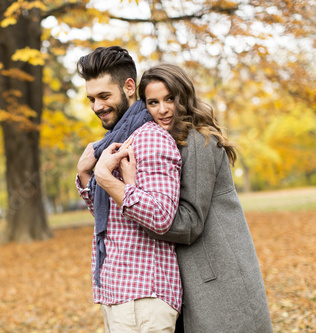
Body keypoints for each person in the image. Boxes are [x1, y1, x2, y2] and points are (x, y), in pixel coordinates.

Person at [117, 63, 273, 332]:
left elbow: (189, 223)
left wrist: (130, 190)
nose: (163, 110)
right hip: (198, 277)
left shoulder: (198, 141)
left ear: (184, 96)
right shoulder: (169, 142)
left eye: (170, 99)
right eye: (153, 102)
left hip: (218, 278)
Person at [75, 46, 183, 332]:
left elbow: (161, 217)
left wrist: (106, 177)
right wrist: (87, 176)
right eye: (91, 99)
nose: (97, 106)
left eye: (104, 96)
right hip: (118, 291)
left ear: (129, 87)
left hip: (144, 296)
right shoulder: (116, 142)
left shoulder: (150, 139)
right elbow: (112, 218)